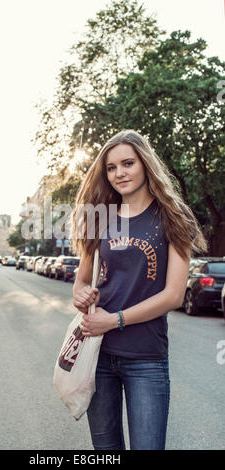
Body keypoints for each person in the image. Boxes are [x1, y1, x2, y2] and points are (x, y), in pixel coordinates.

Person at [71, 129, 207, 450]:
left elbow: (174, 294)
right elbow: (81, 280)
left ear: (145, 164)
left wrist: (114, 319)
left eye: (128, 163)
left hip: (146, 357)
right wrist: (81, 296)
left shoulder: (173, 217)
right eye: (111, 167)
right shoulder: (101, 218)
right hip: (98, 354)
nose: (120, 173)